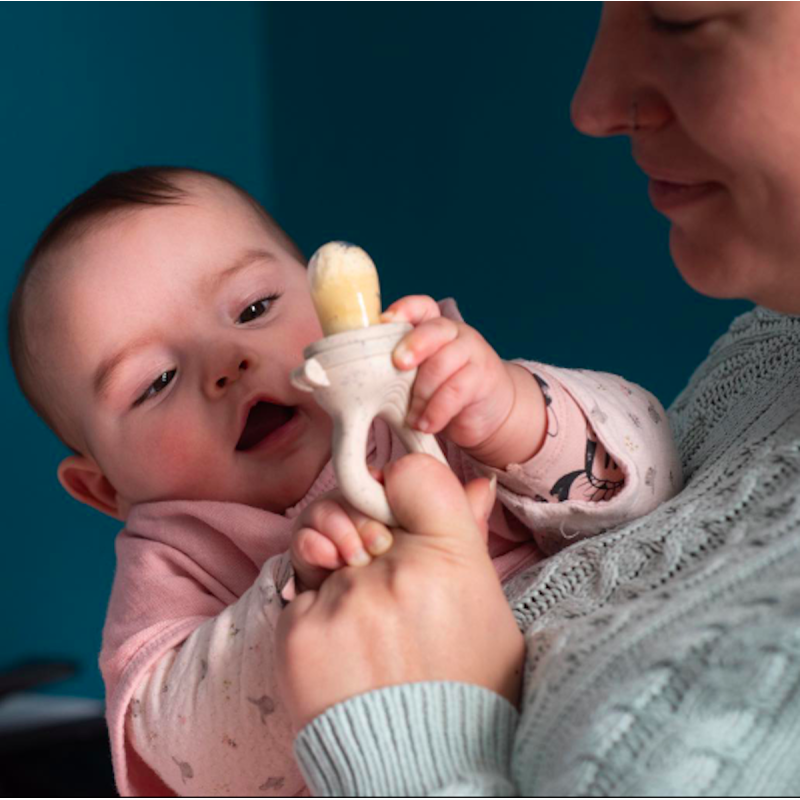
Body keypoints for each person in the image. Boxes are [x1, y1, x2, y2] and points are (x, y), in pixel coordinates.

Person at [7, 166, 679, 796]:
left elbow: (651, 473)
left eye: (254, 308)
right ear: (104, 490)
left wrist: (515, 414)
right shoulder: (174, 555)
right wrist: (306, 593)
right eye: (156, 381)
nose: (228, 362)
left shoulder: (432, 392)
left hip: (601, 712)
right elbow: (182, 757)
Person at [273, 2, 800, 795]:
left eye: (680, 15)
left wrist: (403, 739)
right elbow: (649, 493)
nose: (591, 105)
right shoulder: (774, 346)